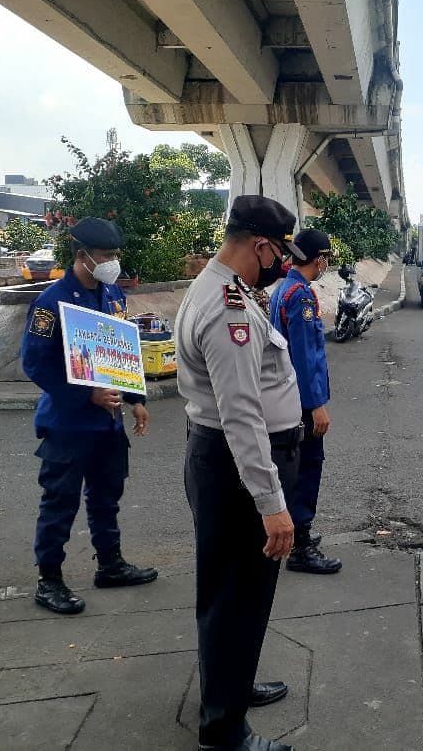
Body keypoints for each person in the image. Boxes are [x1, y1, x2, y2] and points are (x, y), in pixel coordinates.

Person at [174, 195, 306, 751]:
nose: (282, 263)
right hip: (239, 471)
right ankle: (224, 729)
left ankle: (231, 686)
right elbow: (242, 415)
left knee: (235, 593)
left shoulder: (219, 286)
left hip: (224, 464)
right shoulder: (228, 308)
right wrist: (271, 503)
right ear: (260, 245)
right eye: (279, 252)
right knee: (236, 596)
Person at [21, 217, 157, 616]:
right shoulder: (50, 303)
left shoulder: (113, 295)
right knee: (59, 504)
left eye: (115, 255)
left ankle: (110, 565)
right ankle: (49, 581)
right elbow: (35, 364)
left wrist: (136, 397)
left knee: (106, 496)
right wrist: (88, 394)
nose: (112, 262)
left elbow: (120, 353)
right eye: (105, 256)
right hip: (69, 423)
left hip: (108, 421)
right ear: (82, 256)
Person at [269, 228, 342, 574]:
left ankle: (298, 537)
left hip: (287, 397)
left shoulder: (284, 288)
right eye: (326, 258)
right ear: (320, 259)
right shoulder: (300, 296)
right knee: (307, 469)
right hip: (301, 402)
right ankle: (300, 547)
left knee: (295, 467)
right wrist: (316, 406)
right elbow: (304, 355)